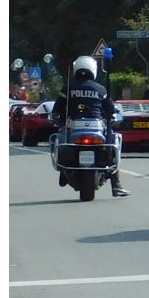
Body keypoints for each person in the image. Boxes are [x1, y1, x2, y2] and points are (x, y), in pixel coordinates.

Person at [52, 55, 129, 196]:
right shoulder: (101, 89)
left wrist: (58, 120)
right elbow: (111, 110)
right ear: (93, 70)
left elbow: (56, 110)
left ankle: (63, 170)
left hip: (74, 127)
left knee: (60, 136)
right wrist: (113, 116)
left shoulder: (67, 88)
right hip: (96, 128)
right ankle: (116, 184)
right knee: (113, 142)